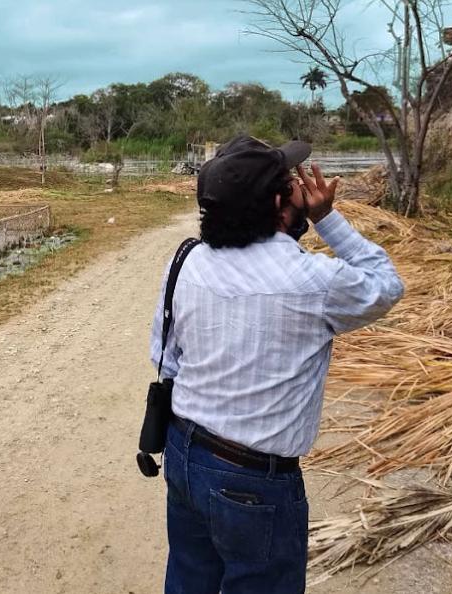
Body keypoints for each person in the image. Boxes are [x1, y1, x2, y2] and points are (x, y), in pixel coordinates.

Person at [151, 136, 405, 593]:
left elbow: (165, 357)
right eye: (290, 183)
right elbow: (386, 285)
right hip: (254, 483)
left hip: (185, 453)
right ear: (277, 203)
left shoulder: (185, 260)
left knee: (190, 580)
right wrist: (326, 217)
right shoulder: (314, 281)